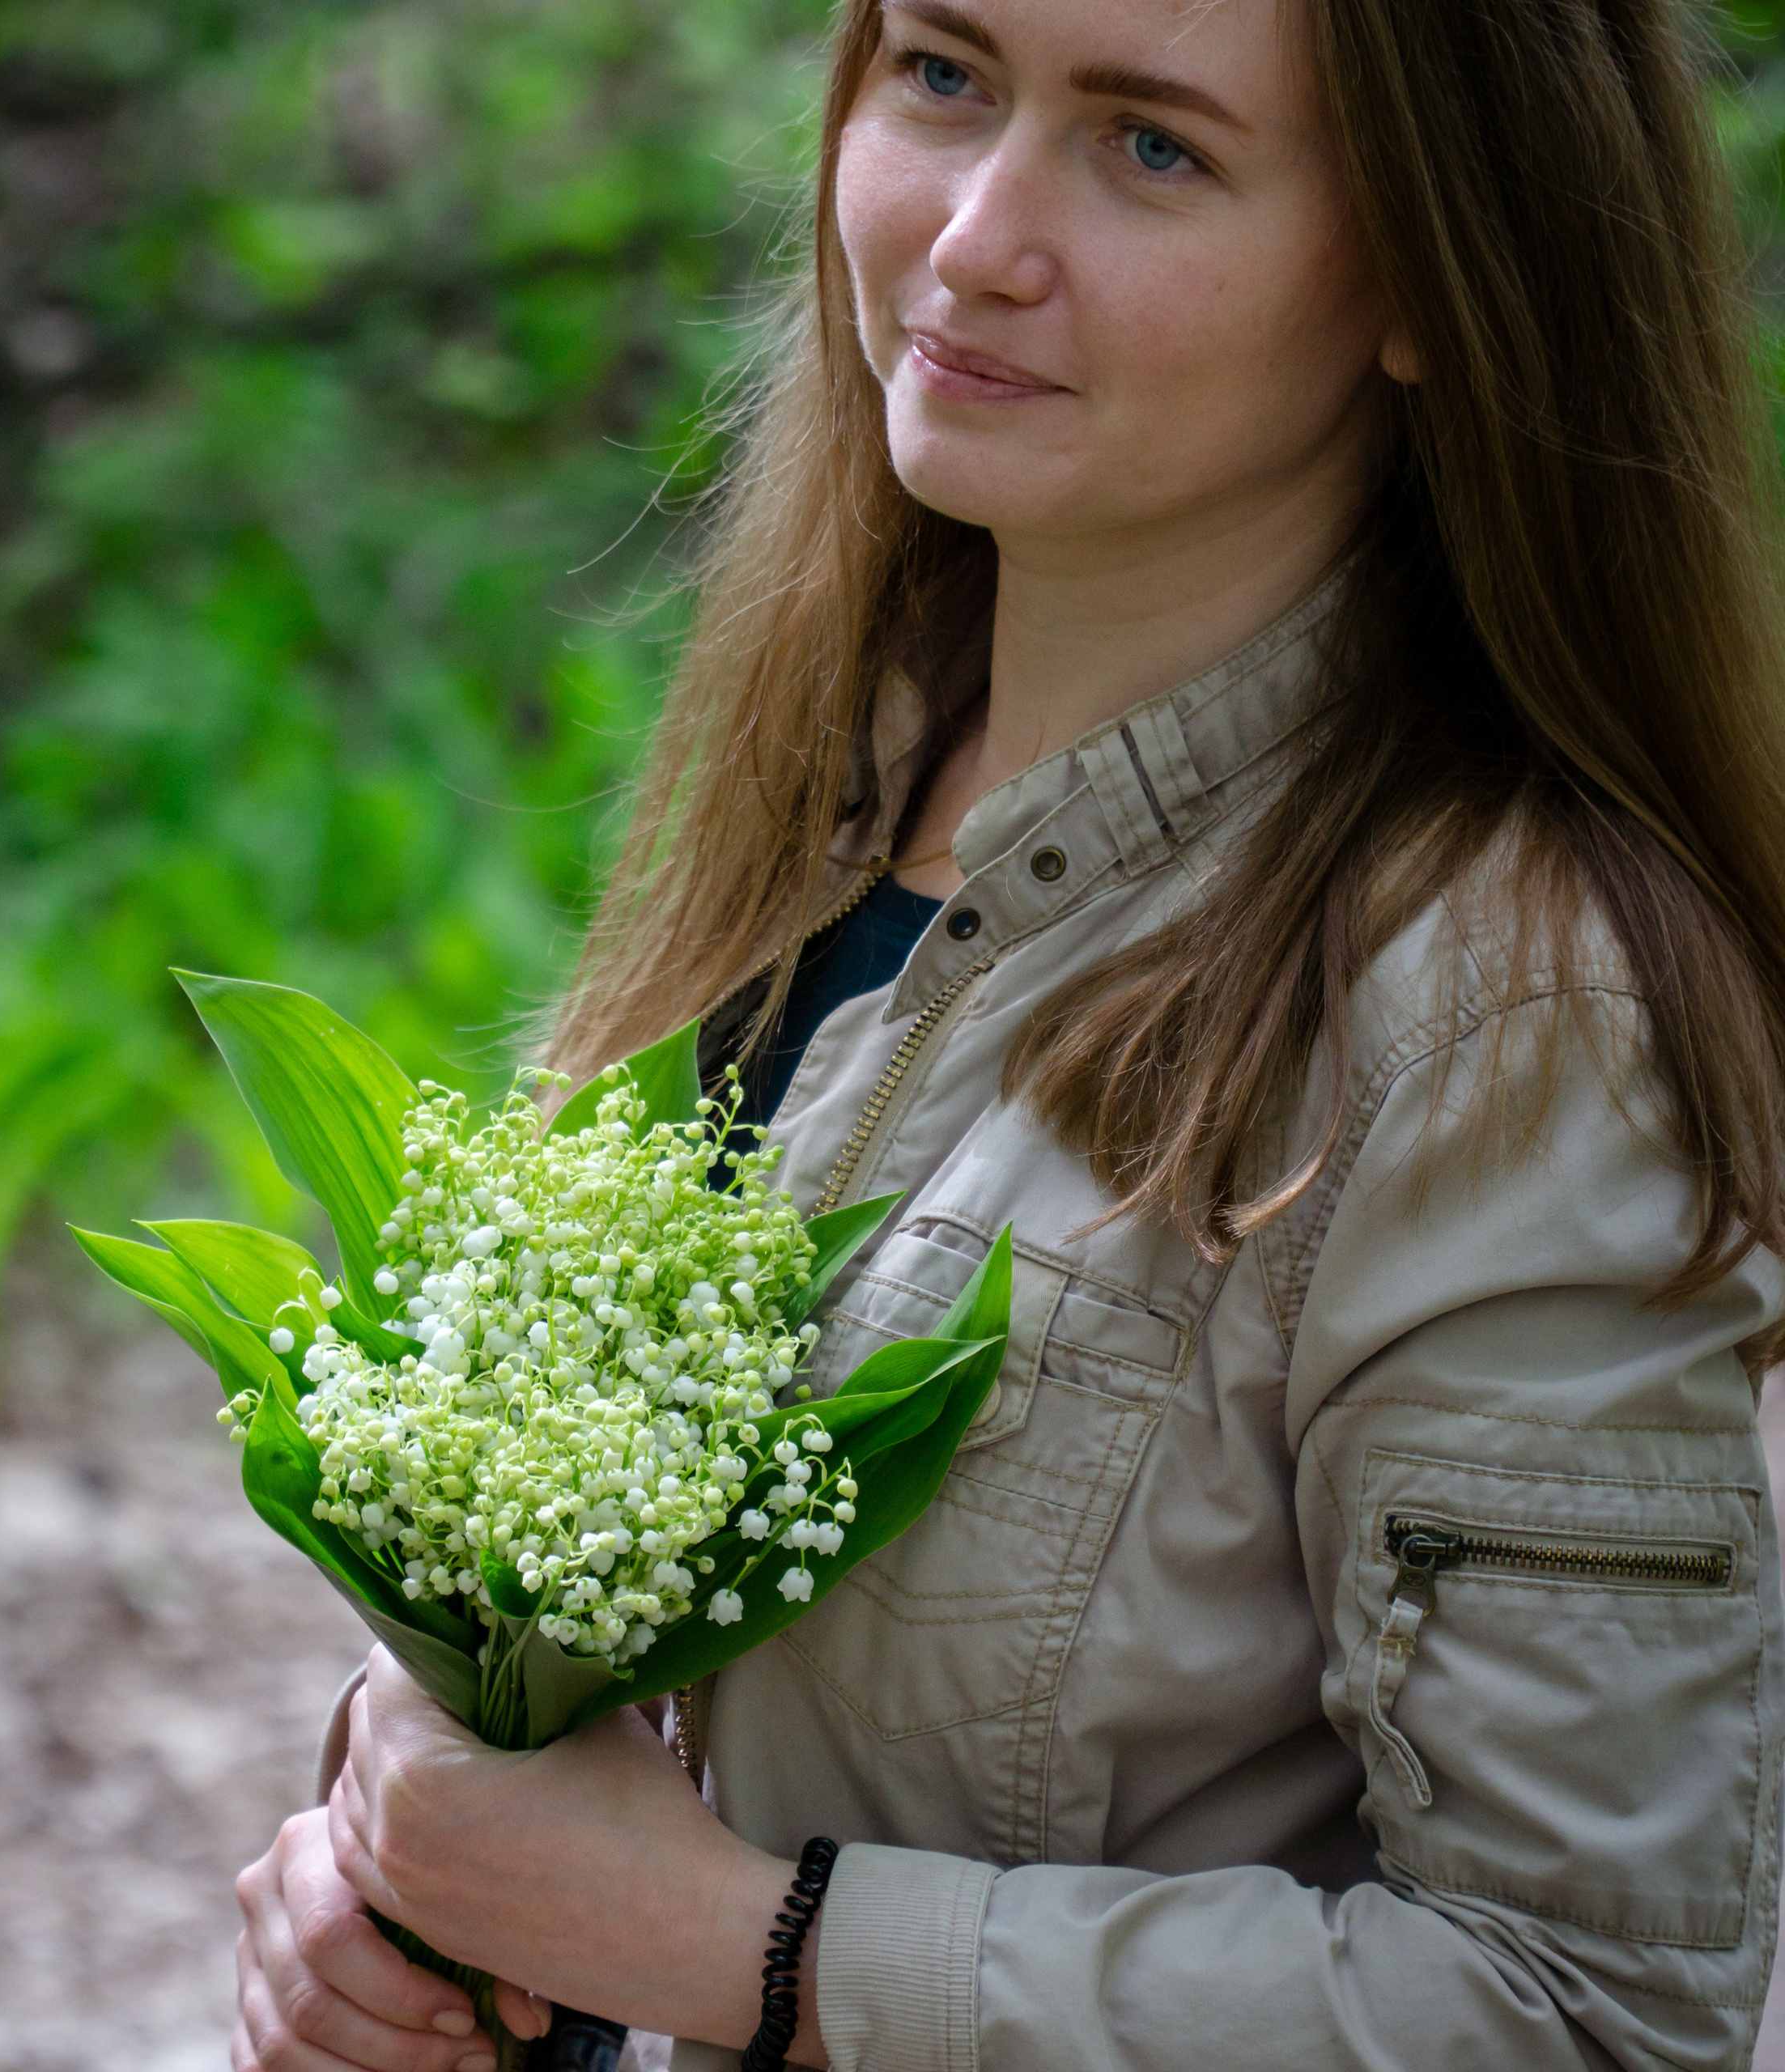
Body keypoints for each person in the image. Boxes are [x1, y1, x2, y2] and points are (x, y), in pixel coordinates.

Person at [228, 0, 1785, 2066]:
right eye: (942, 76)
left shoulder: (1502, 1012)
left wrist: (760, 1952)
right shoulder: (835, 773)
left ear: (1431, 266)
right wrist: (405, 1832)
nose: (970, 239)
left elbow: (1590, 2010)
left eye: (1150, 148)